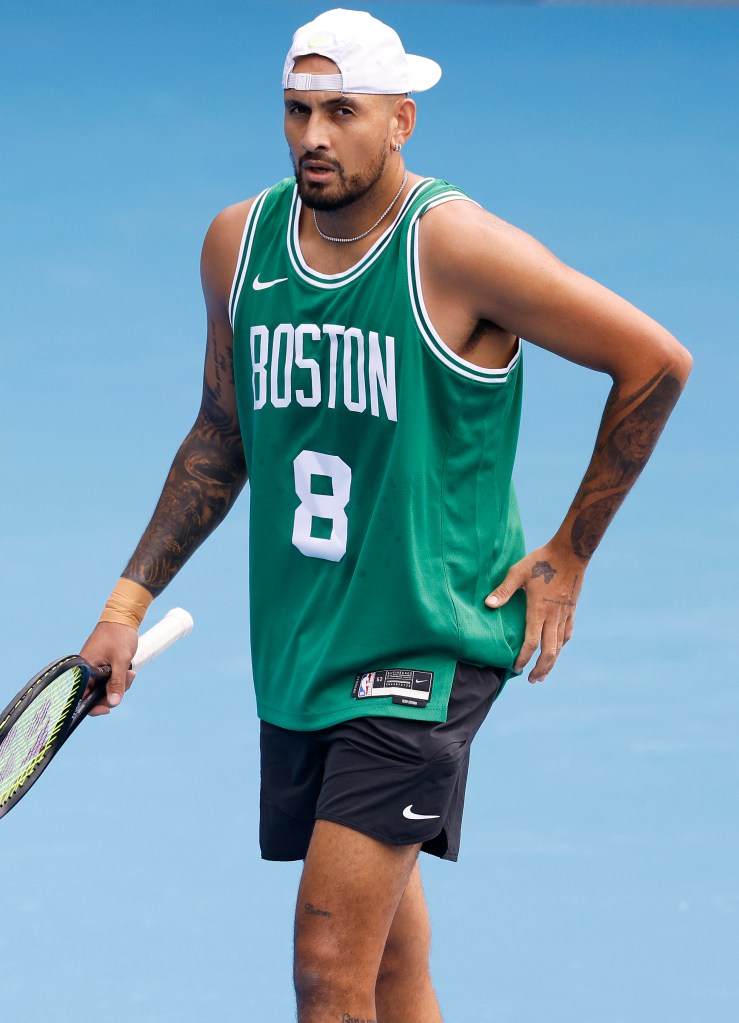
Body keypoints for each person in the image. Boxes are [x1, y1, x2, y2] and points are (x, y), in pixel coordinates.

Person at [79, 9, 692, 1022]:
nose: (313, 136)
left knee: (326, 974)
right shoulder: (239, 245)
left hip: (425, 650)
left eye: (342, 112)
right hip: (306, 650)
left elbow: (655, 361)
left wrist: (571, 552)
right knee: (392, 972)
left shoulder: (454, 249)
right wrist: (124, 602)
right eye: (296, 111)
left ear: (400, 121)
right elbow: (220, 437)